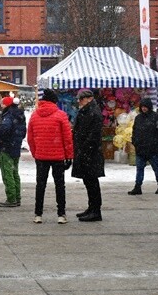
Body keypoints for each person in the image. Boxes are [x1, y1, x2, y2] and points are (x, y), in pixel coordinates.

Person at [27, 88, 74, 224]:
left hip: (41, 156)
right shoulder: (61, 115)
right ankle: (61, 214)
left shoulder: (34, 116)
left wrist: (36, 152)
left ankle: (38, 214)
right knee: (60, 185)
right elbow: (67, 138)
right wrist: (69, 156)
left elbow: (30, 138)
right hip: (58, 156)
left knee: (40, 185)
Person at [71, 88, 105, 222]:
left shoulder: (93, 112)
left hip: (90, 153)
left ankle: (96, 210)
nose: (79, 102)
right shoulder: (86, 111)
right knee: (88, 181)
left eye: (81, 99)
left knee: (92, 182)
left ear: (88, 99)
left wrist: (84, 148)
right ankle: (91, 208)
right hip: (85, 151)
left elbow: (94, 135)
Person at [128, 98, 158, 195]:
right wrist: (135, 142)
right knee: (140, 168)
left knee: (156, 168)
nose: (144, 109)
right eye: (142, 107)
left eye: (145, 107)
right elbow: (135, 131)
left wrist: (155, 143)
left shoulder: (156, 117)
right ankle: (138, 186)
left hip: (152, 149)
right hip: (141, 148)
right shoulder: (138, 118)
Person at [0, 95, 27, 207]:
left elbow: (5, 129)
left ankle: (11, 198)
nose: (1, 106)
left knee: (7, 172)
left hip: (6, 147)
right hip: (16, 146)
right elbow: (23, 132)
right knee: (14, 172)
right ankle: (17, 197)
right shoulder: (20, 115)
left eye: (2, 104)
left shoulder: (8, 116)